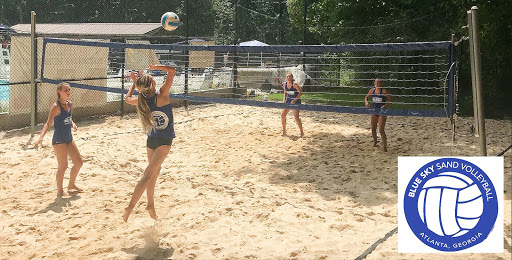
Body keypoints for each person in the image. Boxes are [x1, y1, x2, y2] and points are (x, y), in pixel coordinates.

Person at [123, 64, 176, 222]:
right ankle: (129, 207)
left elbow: (127, 99)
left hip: (151, 140)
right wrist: (155, 66)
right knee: (147, 175)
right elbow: (172, 71)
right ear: (153, 84)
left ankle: (150, 204)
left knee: (154, 173)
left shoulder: (141, 99)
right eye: (153, 79)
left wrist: (134, 83)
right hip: (164, 141)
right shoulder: (162, 95)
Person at [34, 82, 83, 197]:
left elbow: (69, 118)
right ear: (59, 92)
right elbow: (48, 123)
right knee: (63, 166)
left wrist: (73, 124)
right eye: (65, 90)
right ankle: (60, 191)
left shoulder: (70, 104)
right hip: (59, 140)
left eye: (69, 90)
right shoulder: (56, 107)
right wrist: (40, 138)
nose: (68, 92)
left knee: (79, 163)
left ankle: (71, 185)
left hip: (68, 138)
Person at [365, 78, 392, 152]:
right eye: (376, 82)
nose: (377, 84)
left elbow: (391, 101)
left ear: (381, 84)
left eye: (378, 82)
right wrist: (366, 102)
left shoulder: (384, 91)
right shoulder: (372, 91)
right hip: (374, 111)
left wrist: (385, 105)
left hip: (382, 112)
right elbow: (366, 97)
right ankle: (375, 141)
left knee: (381, 129)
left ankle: (385, 146)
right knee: (373, 128)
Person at [281, 73, 304, 137]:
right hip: (288, 100)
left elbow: (300, 93)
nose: (288, 78)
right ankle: (284, 131)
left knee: (296, 117)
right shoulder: (284, 84)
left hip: (296, 101)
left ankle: (301, 132)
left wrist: (294, 100)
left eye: (289, 77)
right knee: (283, 115)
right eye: (287, 76)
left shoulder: (294, 84)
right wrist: (284, 100)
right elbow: (285, 92)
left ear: (292, 78)